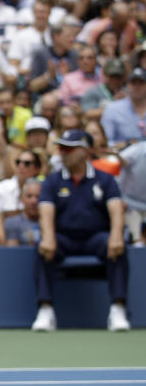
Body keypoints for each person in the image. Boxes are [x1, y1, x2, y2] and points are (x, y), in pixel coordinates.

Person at [32, 129, 130, 332]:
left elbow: (116, 209)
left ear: (83, 151)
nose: (63, 153)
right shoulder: (52, 181)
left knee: (118, 248)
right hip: (64, 238)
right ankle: (45, 309)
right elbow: (46, 211)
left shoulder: (105, 180)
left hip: (96, 237)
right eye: (61, 149)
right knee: (41, 248)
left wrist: (116, 236)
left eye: (68, 149)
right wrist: (48, 238)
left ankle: (118, 308)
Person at [4, 177, 42, 246]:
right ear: (22, 198)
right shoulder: (12, 223)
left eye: (38, 197)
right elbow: (12, 252)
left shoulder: (53, 222)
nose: (34, 201)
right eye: (29, 196)